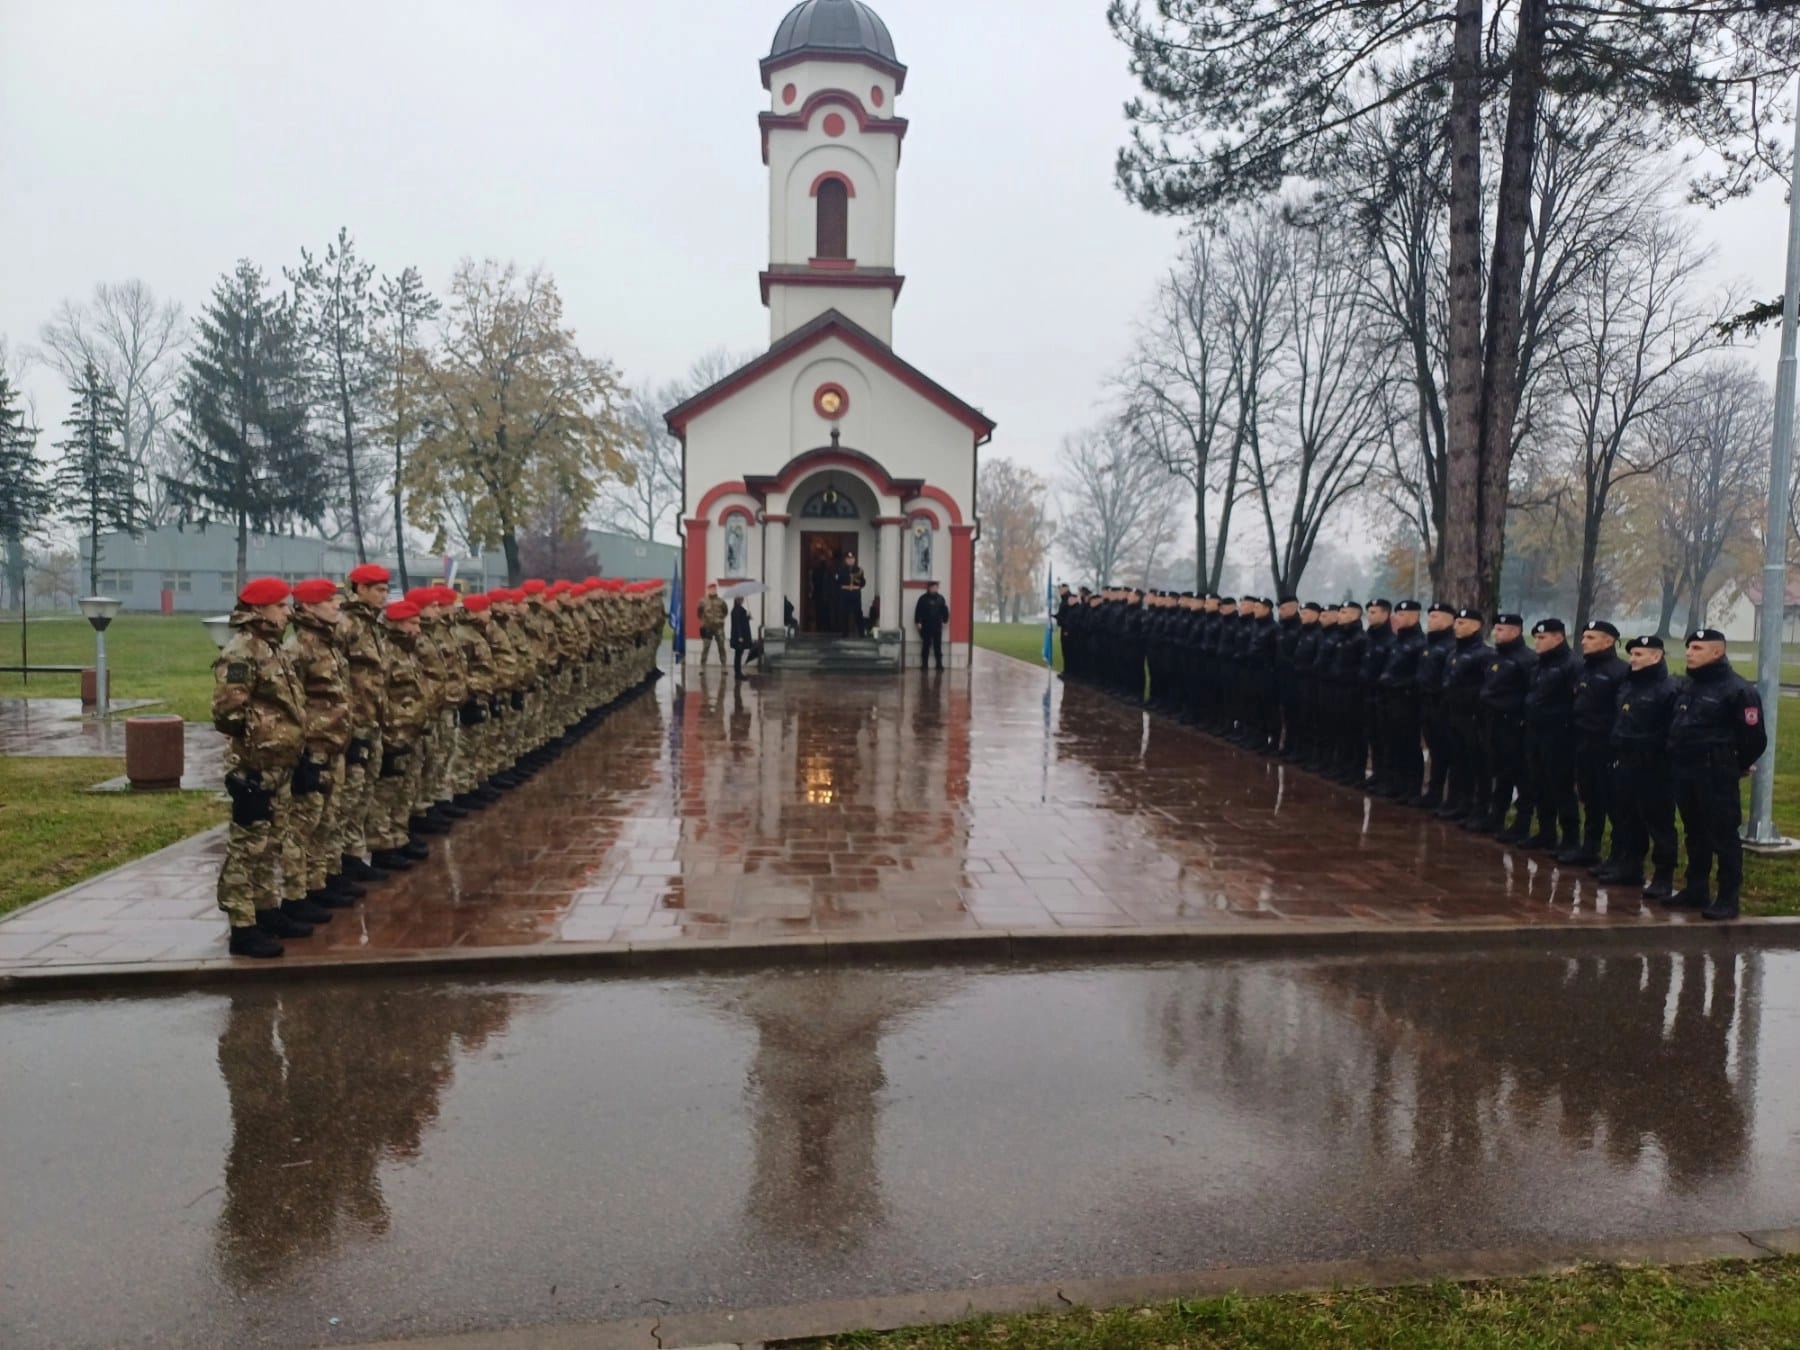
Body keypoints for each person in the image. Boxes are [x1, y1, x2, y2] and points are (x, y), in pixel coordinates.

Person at [212, 577, 312, 958]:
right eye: (281, 606)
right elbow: (226, 711)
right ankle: (242, 926)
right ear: (260, 610)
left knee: (272, 842)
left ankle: (266, 911)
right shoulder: (241, 652)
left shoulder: (270, 648)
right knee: (247, 847)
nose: (288, 612)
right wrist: (257, 742)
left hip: (279, 764)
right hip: (254, 766)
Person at [1667, 627, 1767, 920]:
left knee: (1723, 836)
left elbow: (1754, 738)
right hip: (1686, 771)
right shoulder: (1690, 686)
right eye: (1689, 648)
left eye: (1697, 648)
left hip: (1716, 774)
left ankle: (1727, 897)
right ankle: (1696, 888)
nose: (1689, 653)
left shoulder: (1738, 690)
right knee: (1695, 832)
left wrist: (1733, 766)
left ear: (1717, 652)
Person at [286, 577, 357, 918]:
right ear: (309, 607)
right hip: (313, 749)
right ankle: (297, 894)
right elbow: (292, 707)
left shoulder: (328, 644)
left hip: (334, 746)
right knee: (305, 823)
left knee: (329, 818)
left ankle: (321, 881)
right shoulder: (298, 649)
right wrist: (301, 753)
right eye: (329, 601)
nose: (337, 605)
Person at [1605, 635, 1680, 897]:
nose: (1632, 660)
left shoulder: (1669, 689)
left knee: (1659, 822)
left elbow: (1672, 731)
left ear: (1656, 656)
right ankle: (1630, 866)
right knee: (1627, 817)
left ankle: (1663, 876)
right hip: (1626, 762)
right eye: (1632, 654)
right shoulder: (1629, 686)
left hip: (1654, 766)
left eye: (1639, 655)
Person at [1566, 621, 1629, 867]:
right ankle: (1589, 848)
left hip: (1606, 747)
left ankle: (1618, 855)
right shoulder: (1583, 669)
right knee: (1590, 799)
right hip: (1583, 743)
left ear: (1608, 641)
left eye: (1591, 637)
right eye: (1584, 637)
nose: (1584, 641)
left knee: (1613, 803)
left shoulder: (1620, 671)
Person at [1516, 618, 1579, 851]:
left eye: (1542, 638)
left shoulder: (1571, 665)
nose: (1537, 643)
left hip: (1558, 735)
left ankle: (1570, 839)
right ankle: (1546, 832)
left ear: (1559, 638)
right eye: (1536, 638)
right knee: (1539, 784)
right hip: (1535, 731)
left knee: (1560, 787)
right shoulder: (1539, 664)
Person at [1478, 613, 1535, 836]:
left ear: (1515, 631)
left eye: (1501, 629)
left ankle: (1522, 822)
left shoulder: (1526, 659)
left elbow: (1529, 693)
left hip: (1514, 725)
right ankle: (1497, 817)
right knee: (1500, 773)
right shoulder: (1495, 656)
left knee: (1519, 775)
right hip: (1493, 722)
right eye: (1495, 629)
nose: (1496, 633)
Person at [914, 579, 950, 670]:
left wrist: (945, 621)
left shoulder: (941, 599)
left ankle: (939, 664)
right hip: (926, 625)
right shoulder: (922, 598)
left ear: (937, 588)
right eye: (932, 587)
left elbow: (945, 611)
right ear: (929, 588)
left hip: (937, 625)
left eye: (936, 587)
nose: (934, 589)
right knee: (926, 645)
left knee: (937, 646)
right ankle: (924, 665)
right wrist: (918, 622)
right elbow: (918, 611)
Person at [836, 551, 867, 637]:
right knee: (844, 613)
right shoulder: (840, 570)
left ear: (855, 559)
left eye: (852, 558)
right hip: (844, 593)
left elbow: (863, 583)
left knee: (858, 613)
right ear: (845, 560)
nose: (850, 560)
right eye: (848, 559)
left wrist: (859, 582)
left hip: (855, 594)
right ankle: (844, 633)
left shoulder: (859, 570)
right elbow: (837, 582)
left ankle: (861, 633)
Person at [697, 583, 728, 666]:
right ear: (708, 590)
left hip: (719, 628)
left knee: (721, 647)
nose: (712, 591)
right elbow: (699, 613)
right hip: (707, 628)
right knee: (705, 648)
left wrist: (719, 619)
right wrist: (705, 621)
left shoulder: (721, 601)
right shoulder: (703, 601)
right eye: (711, 589)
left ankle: (724, 665)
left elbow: (725, 612)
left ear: (716, 590)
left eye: (714, 589)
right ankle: (702, 667)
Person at [730, 594, 755, 679]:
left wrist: (748, 617)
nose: (743, 600)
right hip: (740, 637)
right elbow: (738, 624)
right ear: (739, 600)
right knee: (738, 655)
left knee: (738, 655)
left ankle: (738, 672)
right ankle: (738, 673)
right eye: (742, 599)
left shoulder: (736, 610)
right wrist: (740, 636)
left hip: (738, 636)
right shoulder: (738, 610)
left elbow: (743, 621)